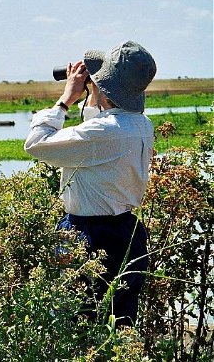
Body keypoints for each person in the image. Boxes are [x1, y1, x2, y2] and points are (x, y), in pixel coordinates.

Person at [24, 40, 157, 326]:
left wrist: (65, 100)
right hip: (128, 234)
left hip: (88, 237)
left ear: (104, 88)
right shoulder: (141, 124)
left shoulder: (103, 132)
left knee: (77, 327)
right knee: (118, 328)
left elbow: (36, 144)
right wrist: (96, 94)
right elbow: (100, 128)